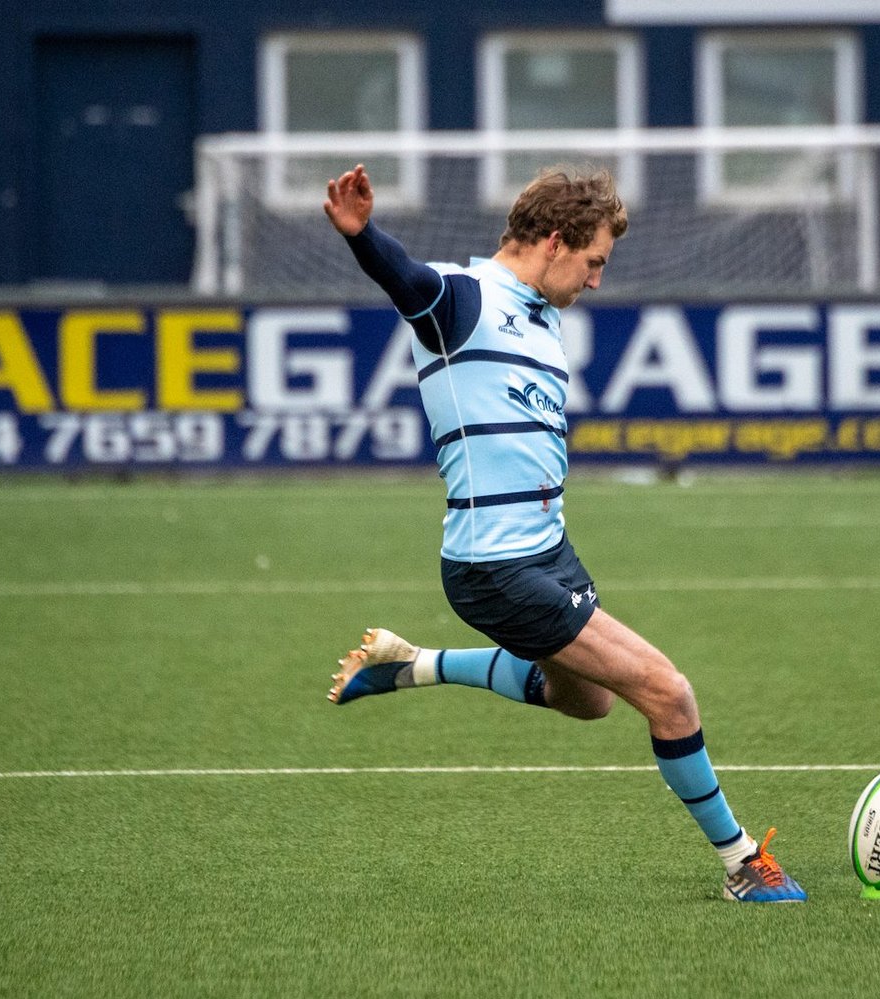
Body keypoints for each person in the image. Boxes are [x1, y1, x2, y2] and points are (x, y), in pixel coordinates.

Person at [322, 163, 805, 903]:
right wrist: (363, 237)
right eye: (594, 262)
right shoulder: (464, 299)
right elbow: (408, 280)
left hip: (547, 551)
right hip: (497, 566)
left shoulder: (541, 313)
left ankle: (410, 664)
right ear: (554, 242)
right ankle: (743, 863)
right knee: (669, 693)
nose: (598, 280)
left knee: (589, 700)